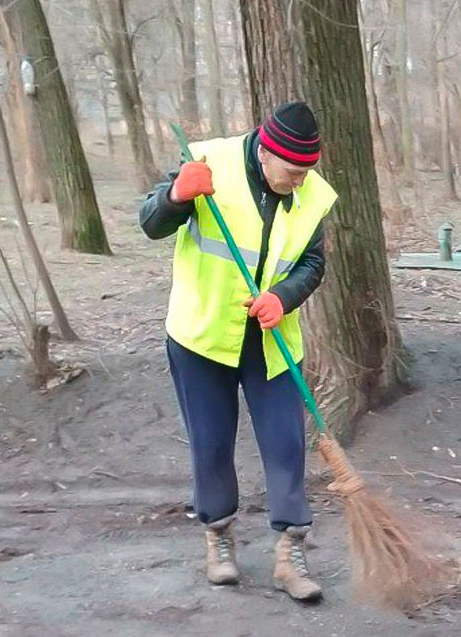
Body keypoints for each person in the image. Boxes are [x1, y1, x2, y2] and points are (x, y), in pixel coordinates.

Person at [139, 101, 337, 602]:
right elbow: (151, 223)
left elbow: (312, 264)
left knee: (285, 445)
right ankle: (219, 537)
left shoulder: (311, 194)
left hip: (270, 340)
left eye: (306, 172)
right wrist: (177, 195)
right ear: (265, 153)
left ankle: (290, 552)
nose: (299, 182)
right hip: (202, 334)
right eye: (292, 172)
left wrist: (282, 297)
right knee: (210, 443)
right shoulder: (207, 162)